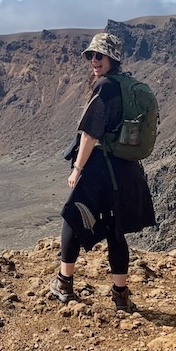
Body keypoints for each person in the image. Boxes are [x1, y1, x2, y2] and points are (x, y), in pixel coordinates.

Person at [51, 32, 157, 312]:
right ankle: (121, 296)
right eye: (90, 56)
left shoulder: (106, 87)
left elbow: (90, 133)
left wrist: (78, 168)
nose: (94, 61)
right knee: (116, 230)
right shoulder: (127, 84)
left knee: (73, 217)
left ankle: (63, 283)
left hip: (100, 168)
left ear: (113, 57)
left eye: (99, 55)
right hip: (126, 169)